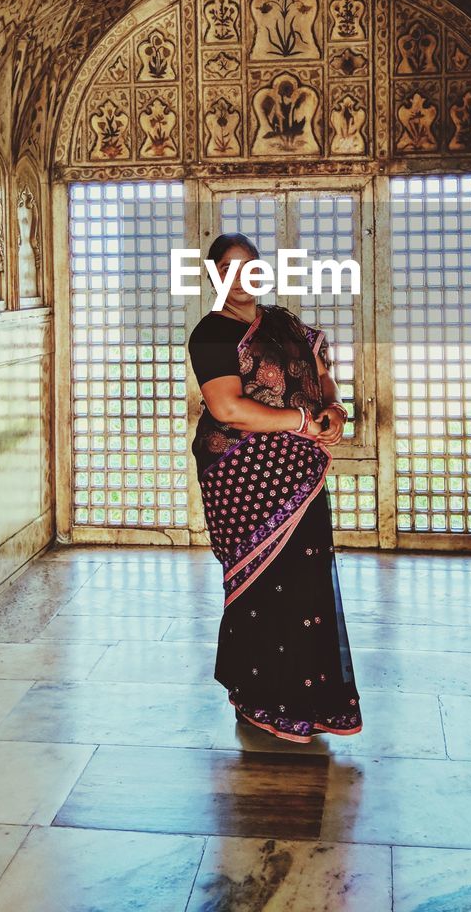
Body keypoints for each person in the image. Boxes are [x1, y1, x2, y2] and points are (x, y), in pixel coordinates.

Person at [187, 232, 363, 743]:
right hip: (242, 476)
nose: (242, 277)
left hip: (300, 472)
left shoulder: (285, 324)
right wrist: (304, 423)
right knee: (260, 583)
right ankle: (259, 696)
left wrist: (332, 409)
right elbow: (227, 409)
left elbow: (322, 376)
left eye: (251, 267)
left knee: (306, 581)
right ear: (215, 276)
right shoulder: (212, 334)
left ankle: (314, 698)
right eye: (230, 268)